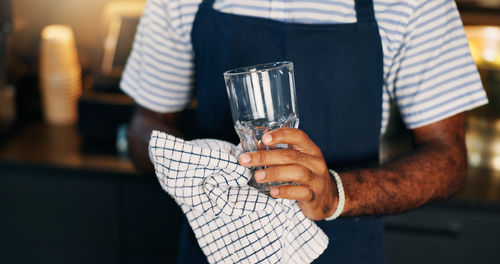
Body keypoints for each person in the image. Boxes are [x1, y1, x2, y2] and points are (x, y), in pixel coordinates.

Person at [121, 0, 488, 263]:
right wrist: (205, 166)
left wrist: (335, 193)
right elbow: (144, 127)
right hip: (214, 245)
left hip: (344, 247)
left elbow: (449, 157)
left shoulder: (414, 4)